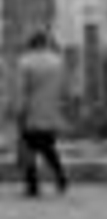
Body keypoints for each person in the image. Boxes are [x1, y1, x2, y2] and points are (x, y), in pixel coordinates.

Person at [14, 30, 69, 197]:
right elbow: (63, 87)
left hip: (32, 111)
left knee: (28, 147)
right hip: (52, 111)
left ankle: (33, 185)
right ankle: (60, 176)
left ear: (31, 44)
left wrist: (19, 111)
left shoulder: (25, 62)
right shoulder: (57, 61)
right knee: (48, 146)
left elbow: (22, 89)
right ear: (45, 43)